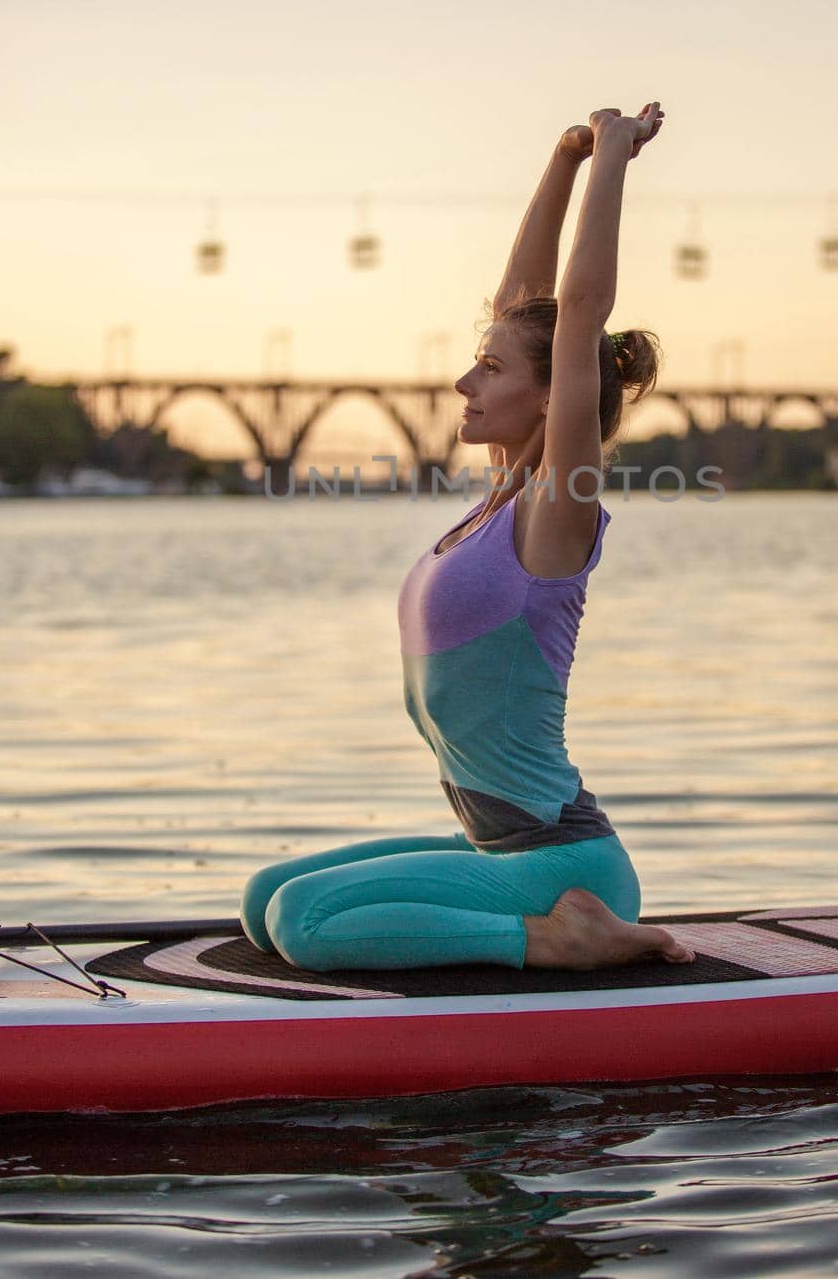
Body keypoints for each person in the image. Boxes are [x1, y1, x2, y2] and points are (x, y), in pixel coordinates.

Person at [241, 102, 694, 973]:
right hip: (506, 852)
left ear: (550, 392)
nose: (463, 380)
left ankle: (558, 941)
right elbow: (525, 305)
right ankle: (527, 925)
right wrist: (560, 162)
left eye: (490, 369)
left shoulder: (556, 507)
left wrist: (613, 158)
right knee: (267, 898)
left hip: (560, 867)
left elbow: (576, 314)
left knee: (303, 921)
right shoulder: (494, 504)